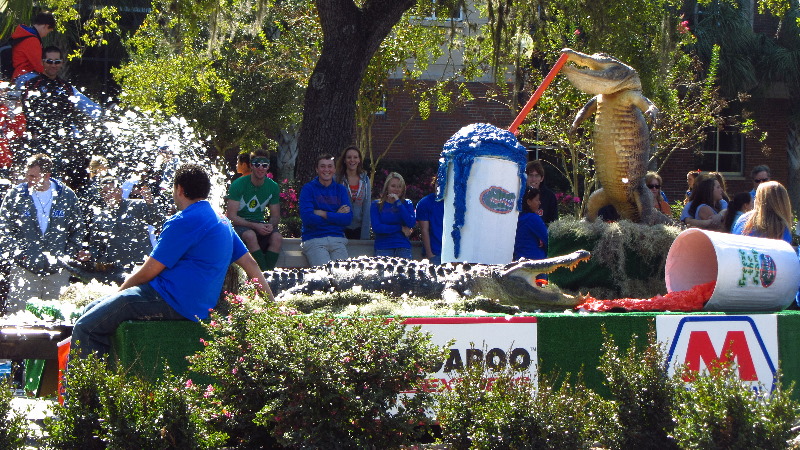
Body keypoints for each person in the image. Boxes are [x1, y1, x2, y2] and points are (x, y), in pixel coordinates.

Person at [70, 164, 272, 358]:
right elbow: (251, 265)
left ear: (179, 189)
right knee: (92, 310)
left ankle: (84, 393)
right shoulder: (222, 221)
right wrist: (273, 308)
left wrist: (120, 291)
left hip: (169, 300)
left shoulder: (183, 220)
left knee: (86, 327)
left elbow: (148, 272)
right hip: (194, 304)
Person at [0, 153, 84, 314]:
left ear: (47, 175)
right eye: (27, 175)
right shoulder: (16, 195)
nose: (28, 180)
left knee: (58, 319)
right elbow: (4, 228)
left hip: (58, 272)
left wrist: (66, 255)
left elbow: (78, 229)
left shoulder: (66, 195)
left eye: (33, 176)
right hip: (24, 270)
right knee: (20, 319)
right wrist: (18, 254)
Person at [22, 46, 102, 190]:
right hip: (37, 141)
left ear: (61, 63)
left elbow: (68, 114)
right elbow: (27, 111)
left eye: (57, 61)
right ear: (43, 62)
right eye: (49, 61)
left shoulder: (66, 87)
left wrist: (64, 135)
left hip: (58, 142)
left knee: (55, 178)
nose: (53, 65)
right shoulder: (33, 84)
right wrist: (33, 133)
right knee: (33, 178)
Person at [83, 176, 161, 272]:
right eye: (104, 192)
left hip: (141, 266)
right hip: (116, 269)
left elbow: (160, 222)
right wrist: (89, 255)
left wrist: (151, 203)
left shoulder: (137, 206)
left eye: (112, 191)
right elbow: (96, 247)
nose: (108, 195)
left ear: (120, 191)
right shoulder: (100, 217)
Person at [225, 149, 283, 271]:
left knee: (277, 237)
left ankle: (268, 274)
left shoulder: (273, 186)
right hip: (241, 225)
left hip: (259, 224)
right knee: (250, 235)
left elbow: (275, 216)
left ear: (268, 167)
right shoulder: (238, 184)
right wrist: (255, 226)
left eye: (264, 165)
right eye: (257, 164)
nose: (261, 168)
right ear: (251, 166)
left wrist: (270, 225)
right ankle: (263, 275)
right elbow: (231, 216)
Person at [299, 154, 352, 266]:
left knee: (342, 276)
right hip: (314, 239)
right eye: (322, 166)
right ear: (317, 169)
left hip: (337, 239)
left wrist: (323, 213)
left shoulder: (340, 190)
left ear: (334, 169)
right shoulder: (308, 189)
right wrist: (336, 215)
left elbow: (347, 219)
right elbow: (308, 219)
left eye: (330, 166)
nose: (326, 170)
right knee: (324, 276)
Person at [371, 172, 415, 258]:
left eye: (399, 186)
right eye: (393, 186)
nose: (396, 189)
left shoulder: (407, 203)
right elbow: (377, 228)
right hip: (383, 248)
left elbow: (411, 223)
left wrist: (398, 202)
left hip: (403, 247)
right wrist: (400, 228)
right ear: (387, 187)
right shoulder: (376, 204)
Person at [10, 12, 56, 87]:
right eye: (48, 31)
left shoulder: (24, 35)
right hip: (26, 77)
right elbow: (39, 65)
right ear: (45, 26)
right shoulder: (32, 40)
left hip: (18, 76)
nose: (46, 35)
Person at [335, 145, 371, 239]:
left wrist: (365, 236)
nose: (352, 160)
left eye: (355, 157)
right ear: (344, 160)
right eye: (349, 157)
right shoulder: (337, 179)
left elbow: (367, 207)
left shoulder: (365, 180)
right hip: (341, 227)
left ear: (359, 160)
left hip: (359, 228)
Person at [513, 187, 548, 261]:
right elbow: (547, 239)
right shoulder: (532, 218)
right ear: (528, 202)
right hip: (536, 260)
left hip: (518, 259)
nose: (539, 203)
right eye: (537, 200)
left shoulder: (516, 218)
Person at [416, 180, 445, 265]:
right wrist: (429, 254)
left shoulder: (456, 203)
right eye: (437, 183)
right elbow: (424, 230)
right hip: (435, 254)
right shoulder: (425, 203)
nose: (439, 187)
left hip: (452, 255)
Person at [525, 160, 558, 224]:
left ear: (542, 178)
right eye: (530, 175)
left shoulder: (549, 196)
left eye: (537, 176)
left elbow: (553, 222)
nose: (533, 179)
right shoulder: (520, 194)